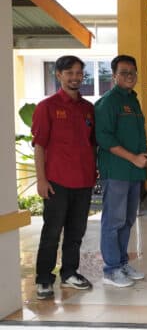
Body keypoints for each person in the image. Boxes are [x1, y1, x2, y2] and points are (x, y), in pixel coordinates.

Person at [31, 55, 96, 299]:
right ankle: (44, 278)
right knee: (52, 231)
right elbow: (39, 146)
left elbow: (91, 145)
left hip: (84, 181)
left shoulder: (88, 108)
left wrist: (93, 171)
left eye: (79, 73)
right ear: (58, 75)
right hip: (56, 181)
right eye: (69, 73)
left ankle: (69, 273)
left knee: (76, 232)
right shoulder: (46, 107)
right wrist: (41, 180)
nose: (75, 77)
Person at [94, 55, 147, 287]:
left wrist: (143, 152)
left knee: (127, 220)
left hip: (134, 172)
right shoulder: (109, 102)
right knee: (113, 220)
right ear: (114, 75)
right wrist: (133, 157)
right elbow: (104, 138)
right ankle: (111, 269)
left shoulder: (133, 100)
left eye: (132, 72)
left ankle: (122, 262)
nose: (129, 76)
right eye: (124, 72)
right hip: (117, 171)